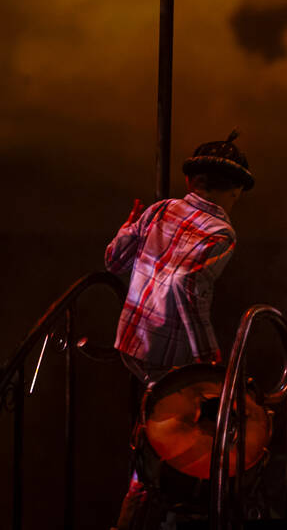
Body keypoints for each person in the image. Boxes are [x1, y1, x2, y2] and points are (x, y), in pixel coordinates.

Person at [105, 131, 255, 530]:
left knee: (156, 424)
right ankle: (155, 510)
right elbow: (188, 289)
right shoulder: (221, 234)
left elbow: (113, 261)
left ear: (191, 181)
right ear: (236, 191)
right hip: (169, 353)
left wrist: (130, 226)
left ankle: (145, 501)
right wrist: (208, 360)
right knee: (197, 432)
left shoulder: (159, 210)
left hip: (132, 340)